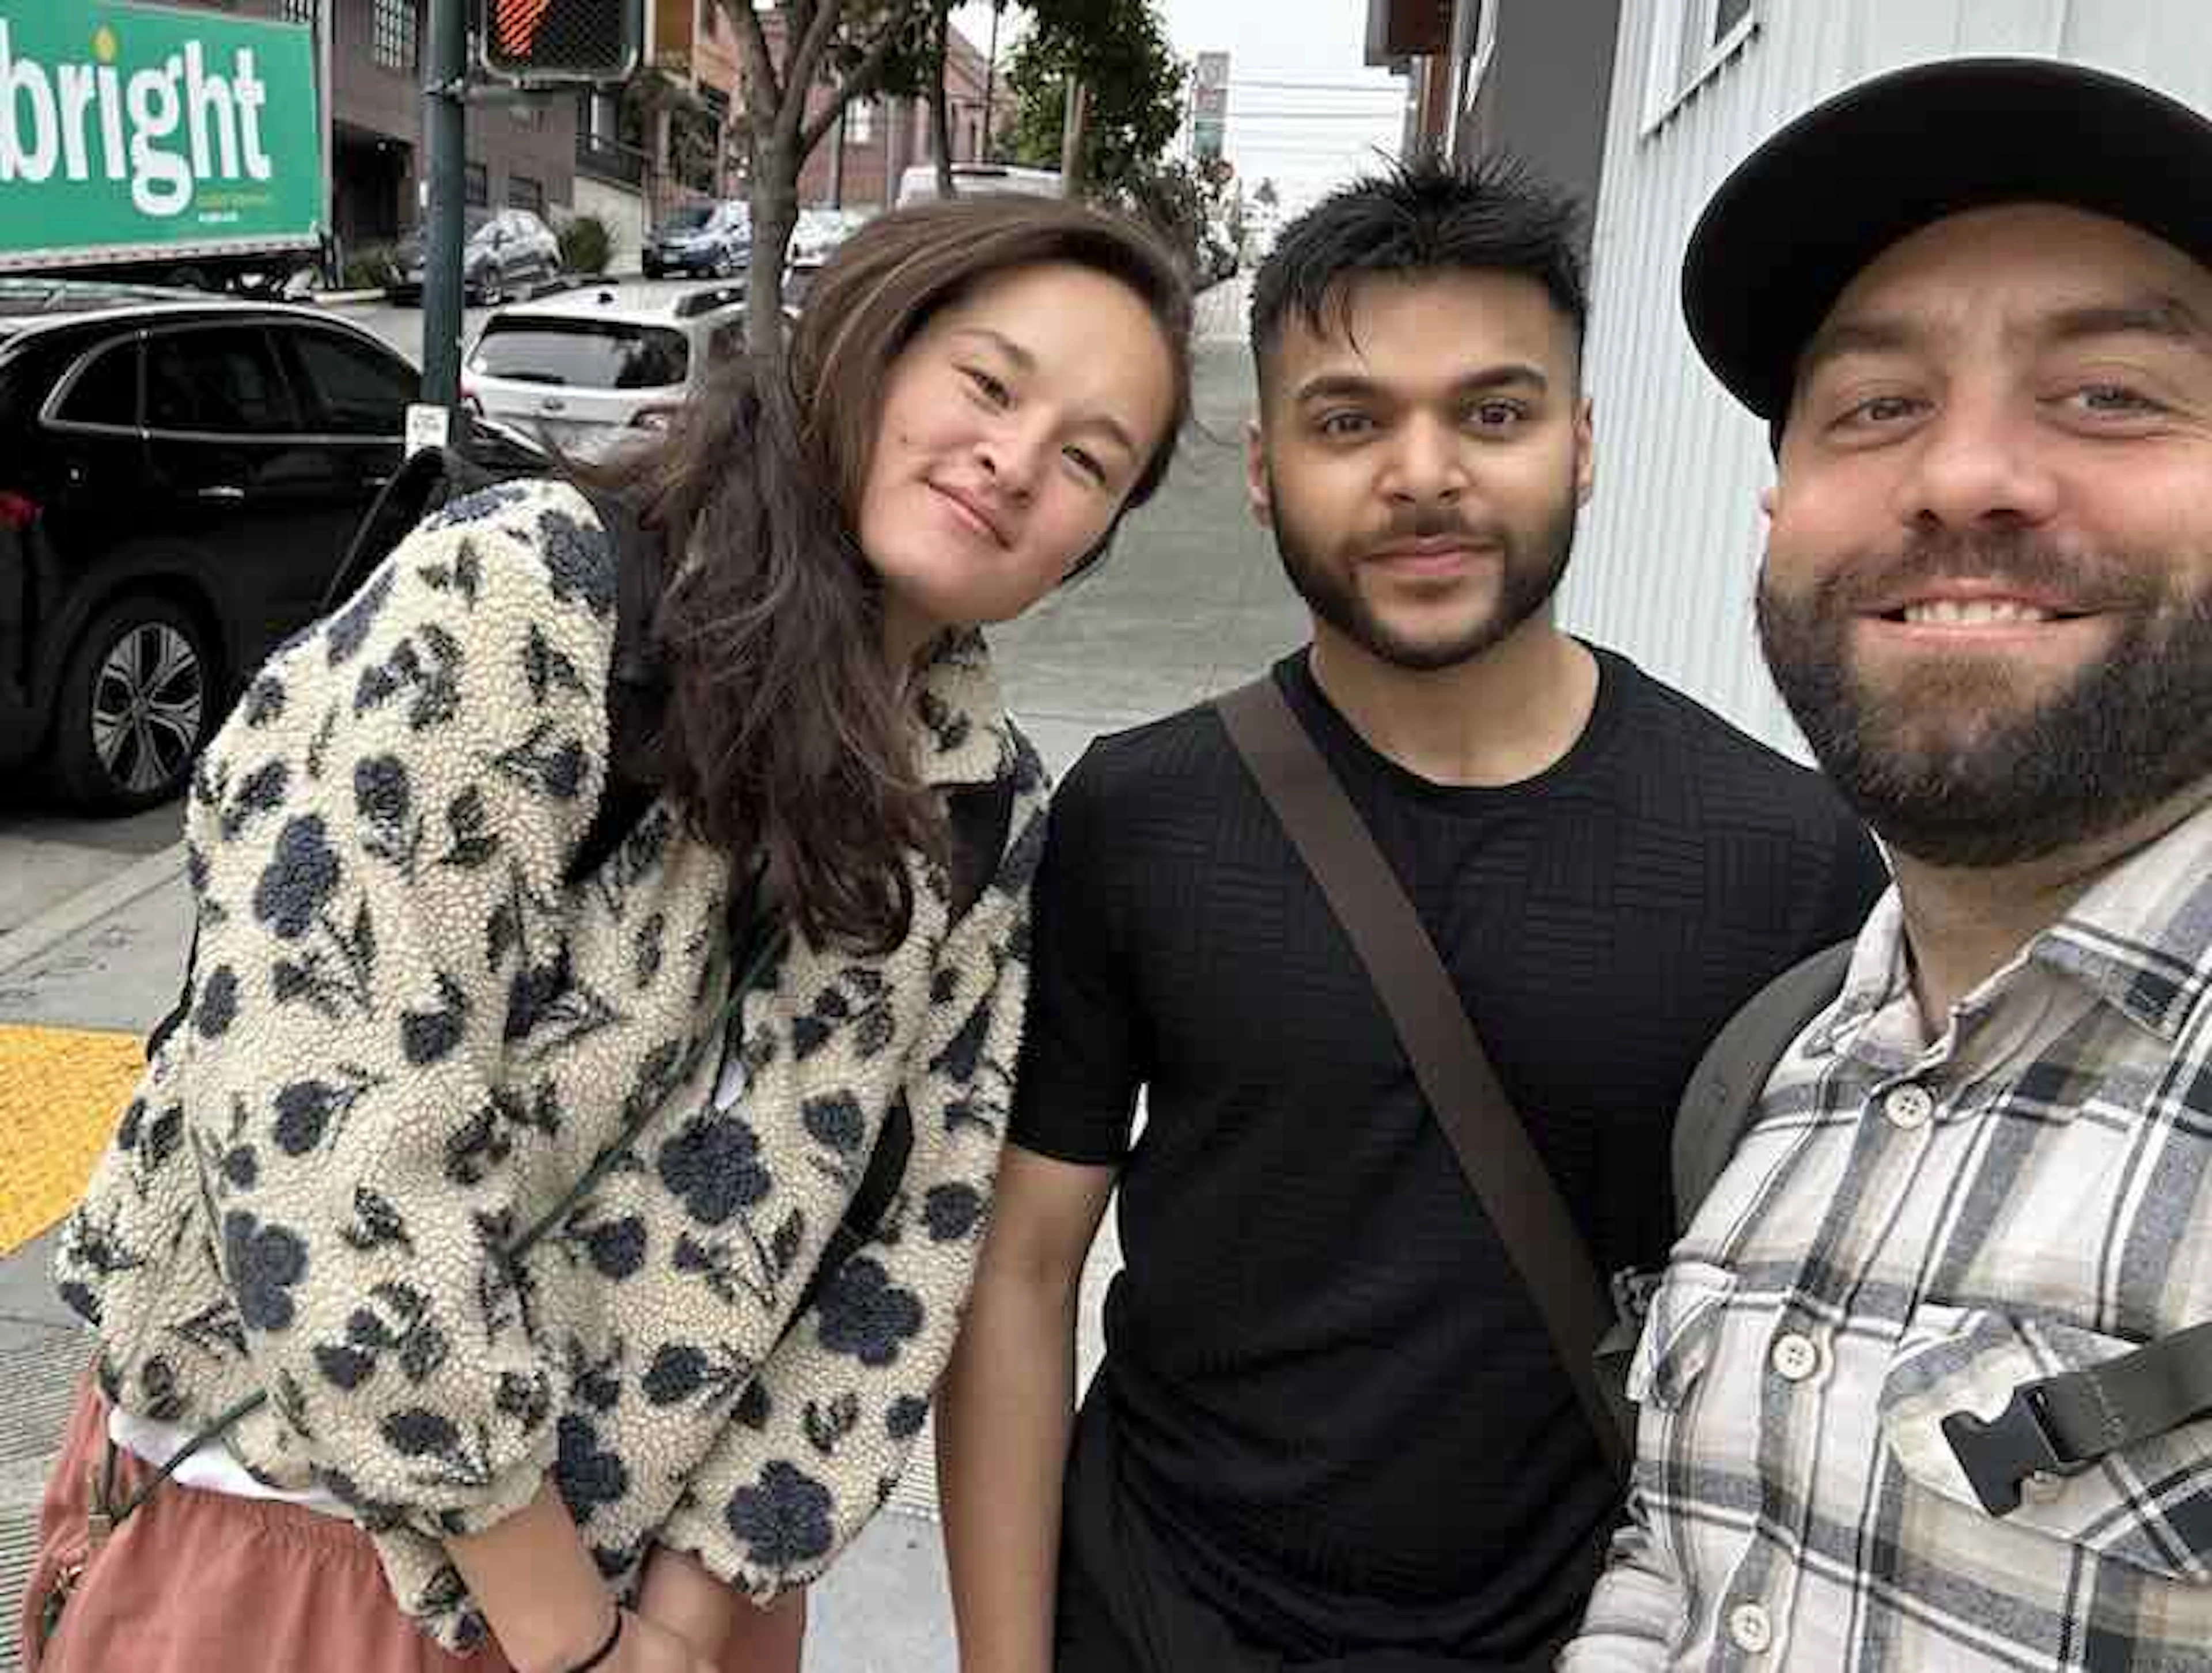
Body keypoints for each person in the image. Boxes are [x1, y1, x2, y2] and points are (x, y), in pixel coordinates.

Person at [16, 194, 1192, 1673]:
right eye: (987, 382)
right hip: (301, 1538)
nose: (1016, 463)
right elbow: (317, 1134)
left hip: (689, 1608)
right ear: (864, 351)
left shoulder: (980, 804)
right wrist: (569, 1631)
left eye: (1091, 459)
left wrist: (686, 1618)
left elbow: (909, 1248)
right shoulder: (526, 604)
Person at [935, 154, 1888, 1673]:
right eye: (1349, 421)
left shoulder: (1790, 860)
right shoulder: (1138, 816)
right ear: (1263, 471)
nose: (1423, 473)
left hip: (1583, 1634)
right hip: (1154, 1607)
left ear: (1582, 449)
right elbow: (1026, 1269)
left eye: (1494, 415)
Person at [1563, 56, 2212, 1671]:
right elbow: (1688, 1555)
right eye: (1876, 408)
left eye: (2111, 394)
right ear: (1780, 511)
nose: (1961, 476)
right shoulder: (1775, 1075)